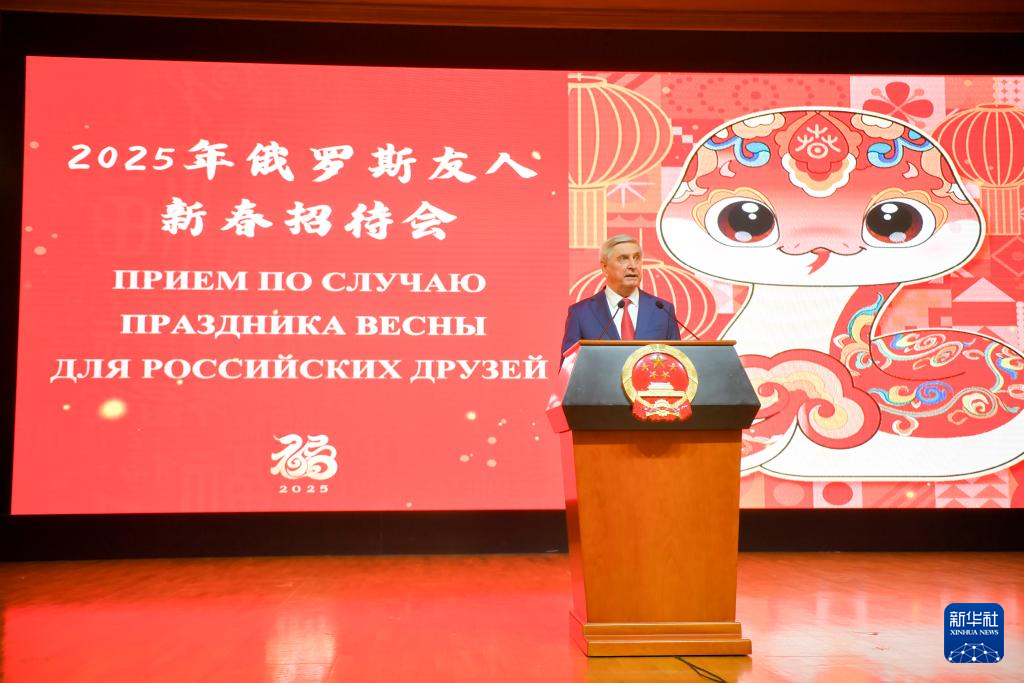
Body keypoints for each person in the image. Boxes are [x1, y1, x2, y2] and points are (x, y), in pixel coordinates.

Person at [560, 234, 681, 356]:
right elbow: (568, 366)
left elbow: (678, 362)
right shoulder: (581, 314)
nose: (633, 266)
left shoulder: (663, 311)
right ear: (605, 267)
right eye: (623, 259)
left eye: (637, 258)